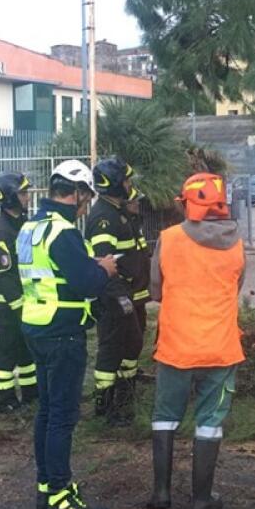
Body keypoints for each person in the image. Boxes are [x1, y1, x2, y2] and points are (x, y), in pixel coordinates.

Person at [18, 160, 119, 509]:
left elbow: (54, 273)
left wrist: (86, 264)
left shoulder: (32, 228)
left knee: (46, 412)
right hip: (62, 333)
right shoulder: (64, 232)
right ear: (75, 193)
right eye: (86, 198)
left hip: (35, 327)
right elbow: (86, 284)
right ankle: (62, 497)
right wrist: (103, 269)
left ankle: (46, 486)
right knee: (62, 416)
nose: (86, 205)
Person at [146, 173, 246, 509]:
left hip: (176, 346)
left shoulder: (169, 239)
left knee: (164, 417)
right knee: (210, 421)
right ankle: (201, 498)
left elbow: (155, 290)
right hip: (220, 348)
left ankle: (161, 492)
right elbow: (235, 288)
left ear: (189, 202)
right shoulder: (237, 243)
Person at [85, 157, 151, 425]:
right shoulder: (103, 217)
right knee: (111, 349)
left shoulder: (118, 212)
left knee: (131, 345)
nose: (129, 184)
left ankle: (124, 400)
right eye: (126, 180)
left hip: (127, 293)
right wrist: (119, 298)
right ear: (114, 185)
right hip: (114, 296)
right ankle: (105, 405)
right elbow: (104, 263)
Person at [0, 171, 37, 413]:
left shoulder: (22, 223)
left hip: (23, 300)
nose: (27, 197)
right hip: (8, 303)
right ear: (9, 198)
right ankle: (5, 401)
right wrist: (18, 306)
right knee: (7, 351)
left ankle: (30, 394)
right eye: (23, 193)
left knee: (26, 350)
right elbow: (3, 275)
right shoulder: (1, 233)